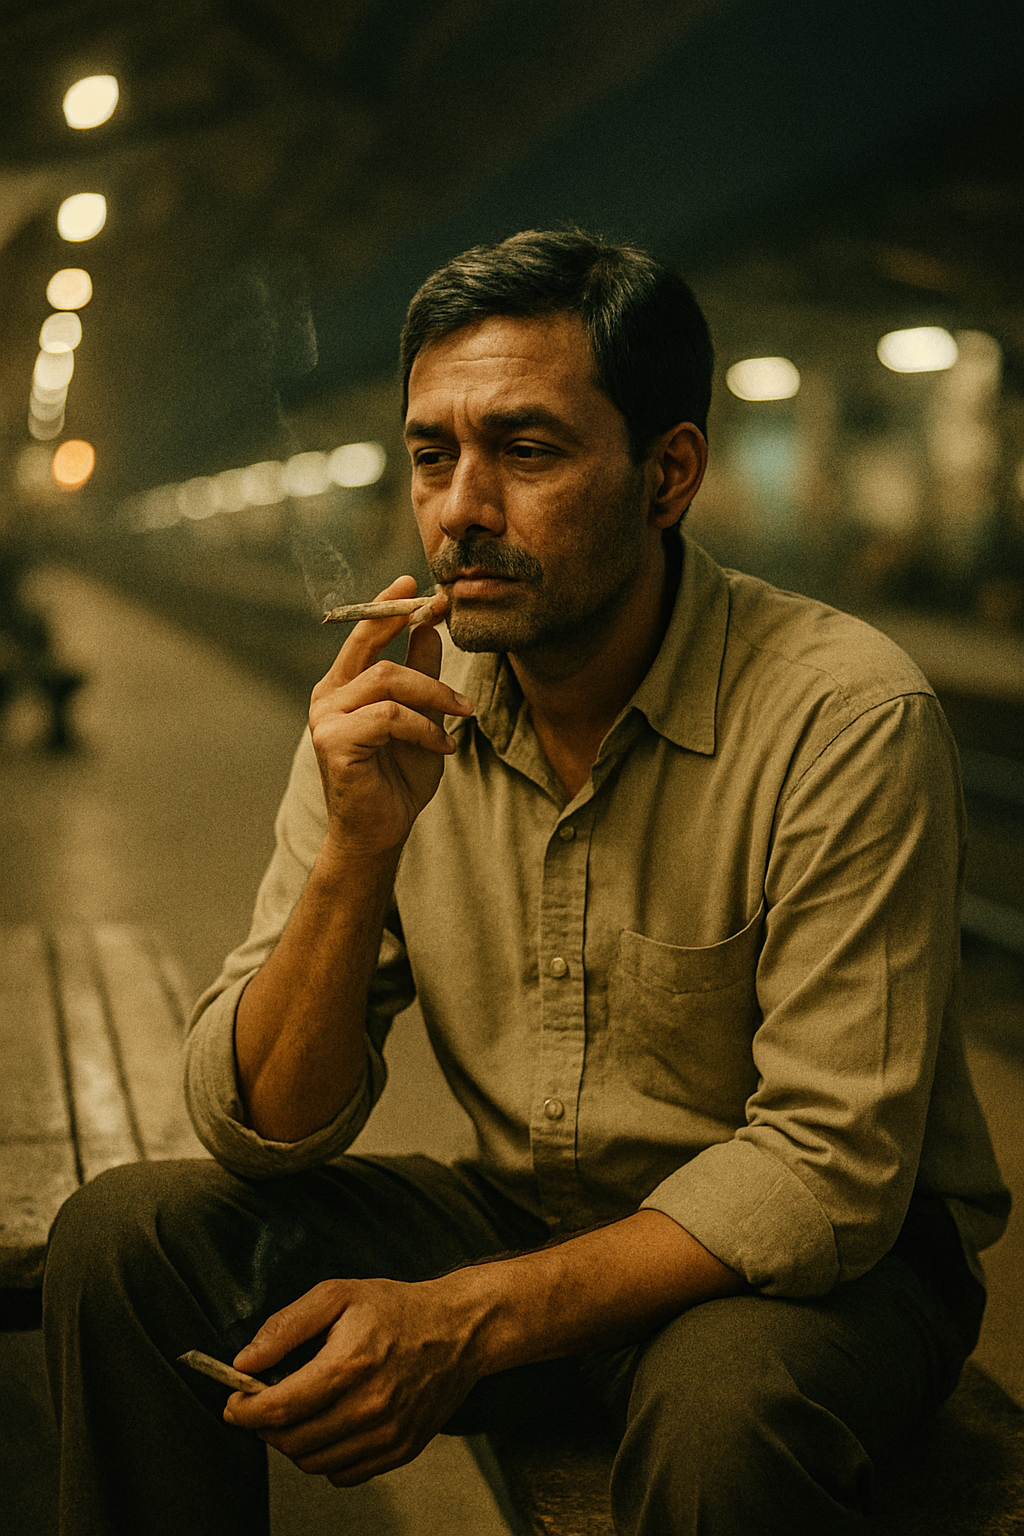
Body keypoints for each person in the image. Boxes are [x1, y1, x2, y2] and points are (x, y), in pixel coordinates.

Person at [44, 229, 1009, 1536]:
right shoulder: (386, 705)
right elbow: (255, 1124)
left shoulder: (844, 714)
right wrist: (355, 851)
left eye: (528, 450)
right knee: (127, 1242)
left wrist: (459, 1319)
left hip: (805, 1278)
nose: (461, 509)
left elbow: (827, 1171)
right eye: (433, 454)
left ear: (668, 474)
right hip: (535, 1212)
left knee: (722, 1415)